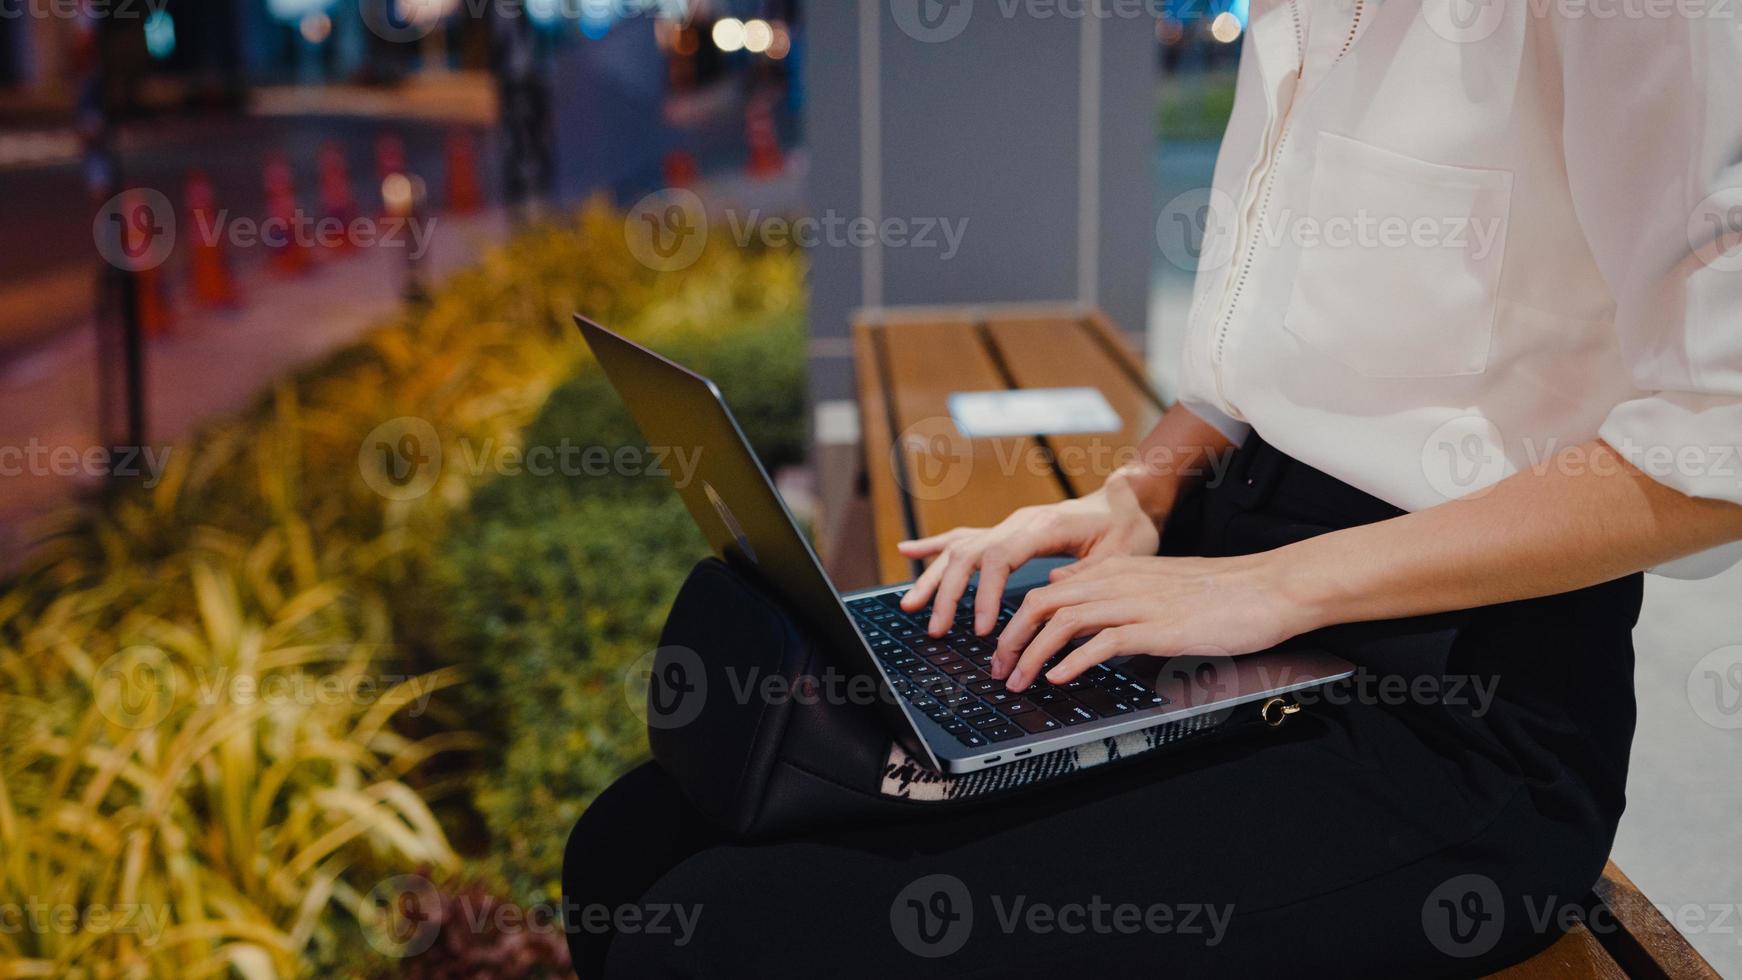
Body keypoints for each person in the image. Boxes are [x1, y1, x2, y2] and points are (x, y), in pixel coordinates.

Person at [565, 3, 1742, 976]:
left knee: (729, 933)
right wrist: (1133, 496)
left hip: (1454, 703)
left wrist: (1271, 587)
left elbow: (1717, 447)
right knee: (629, 847)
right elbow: (1239, 373)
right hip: (1217, 592)